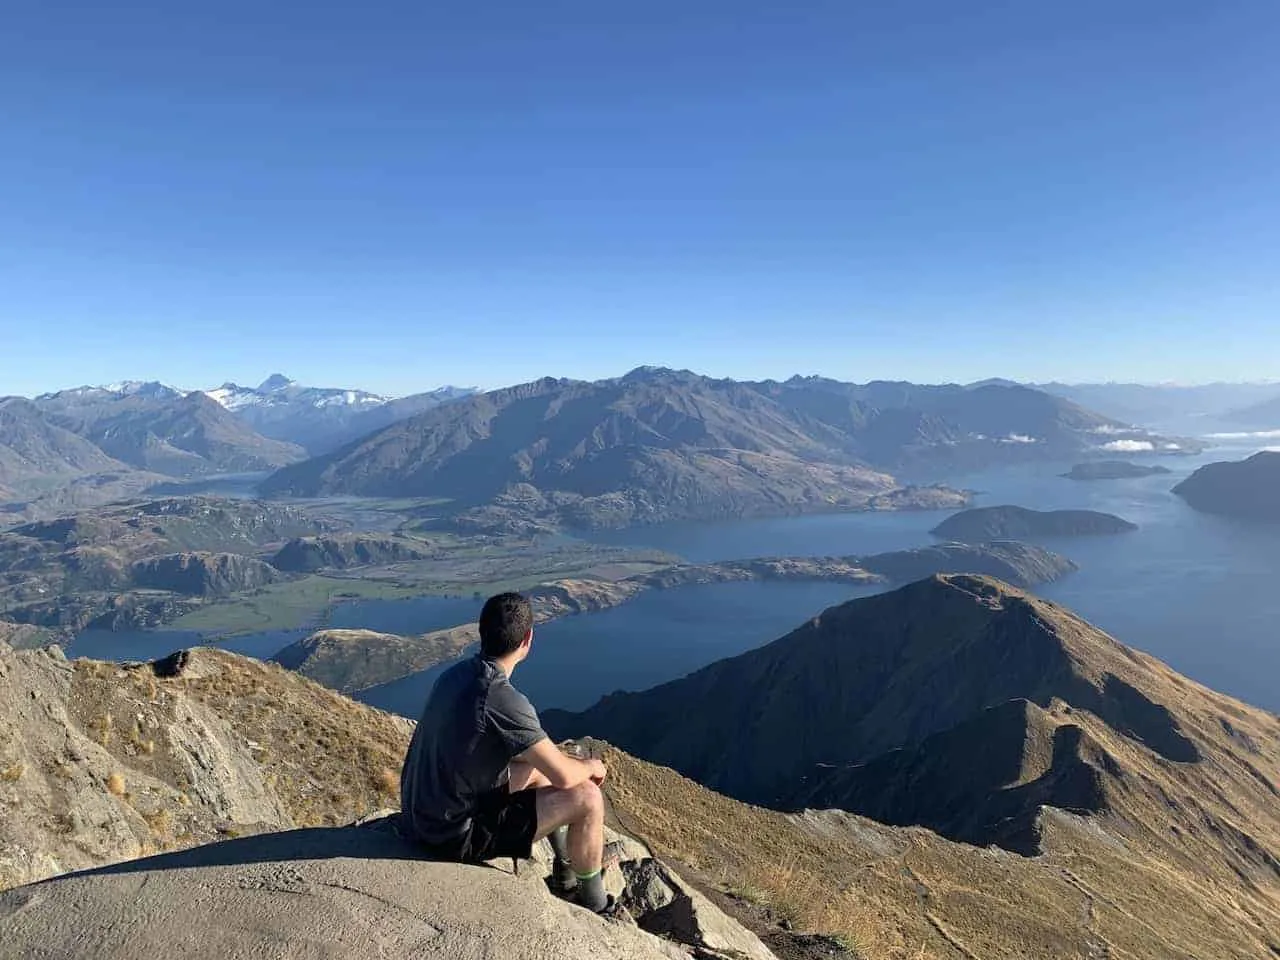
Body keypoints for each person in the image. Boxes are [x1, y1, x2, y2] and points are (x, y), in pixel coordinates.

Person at [399, 591, 618, 914]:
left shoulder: (456, 674)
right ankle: (597, 905)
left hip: (423, 812)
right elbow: (565, 776)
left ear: (482, 631)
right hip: (451, 836)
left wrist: (564, 763)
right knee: (587, 798)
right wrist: (593, 766)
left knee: (540, 769)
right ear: (527, 639)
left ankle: (565, 875)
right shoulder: (502, 697)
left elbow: (536, 763)